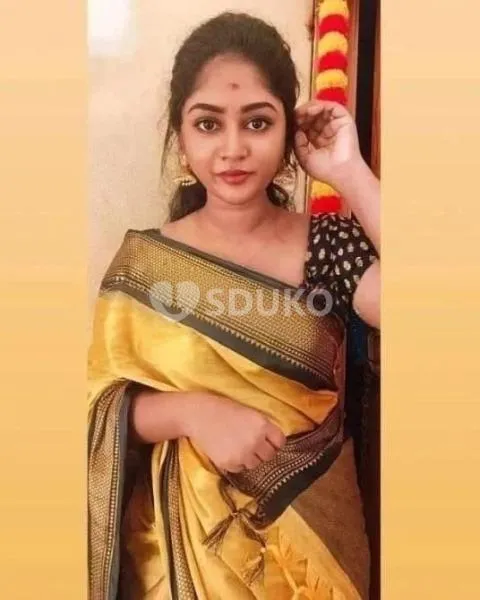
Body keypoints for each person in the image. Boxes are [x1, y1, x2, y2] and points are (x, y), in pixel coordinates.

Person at [88, 12, 380, 600]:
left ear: (288, 132)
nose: (232, 148)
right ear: (181, 138)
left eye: (257, 122)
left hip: (312, 551)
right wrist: (190, 413)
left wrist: (349, 171)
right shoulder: (145, 264)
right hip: (172, 559)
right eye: (208, 124)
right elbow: (94, 410)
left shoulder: (328, 245)